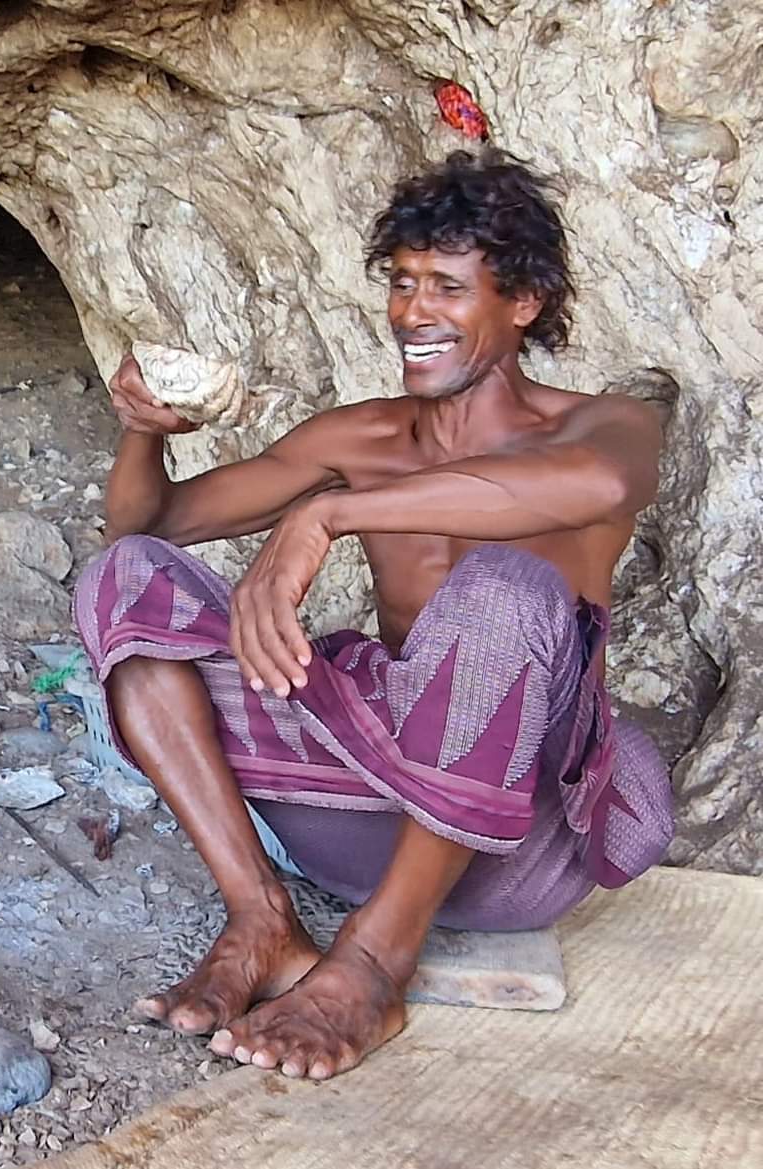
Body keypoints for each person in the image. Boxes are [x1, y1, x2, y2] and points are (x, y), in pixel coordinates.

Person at [73, 150, 675, 1082]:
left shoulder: (602, 427)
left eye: (447, 286)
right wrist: (143, 428)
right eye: (402, 283)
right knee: (124, 577)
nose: (414, 312)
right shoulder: (358, 438)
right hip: (358, 815)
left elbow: (597, 485)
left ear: (521, 303)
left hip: (518, 842)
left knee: (502, 591)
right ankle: (261, 921)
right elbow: (142, 528)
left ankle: (374, 962)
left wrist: (330, 513)